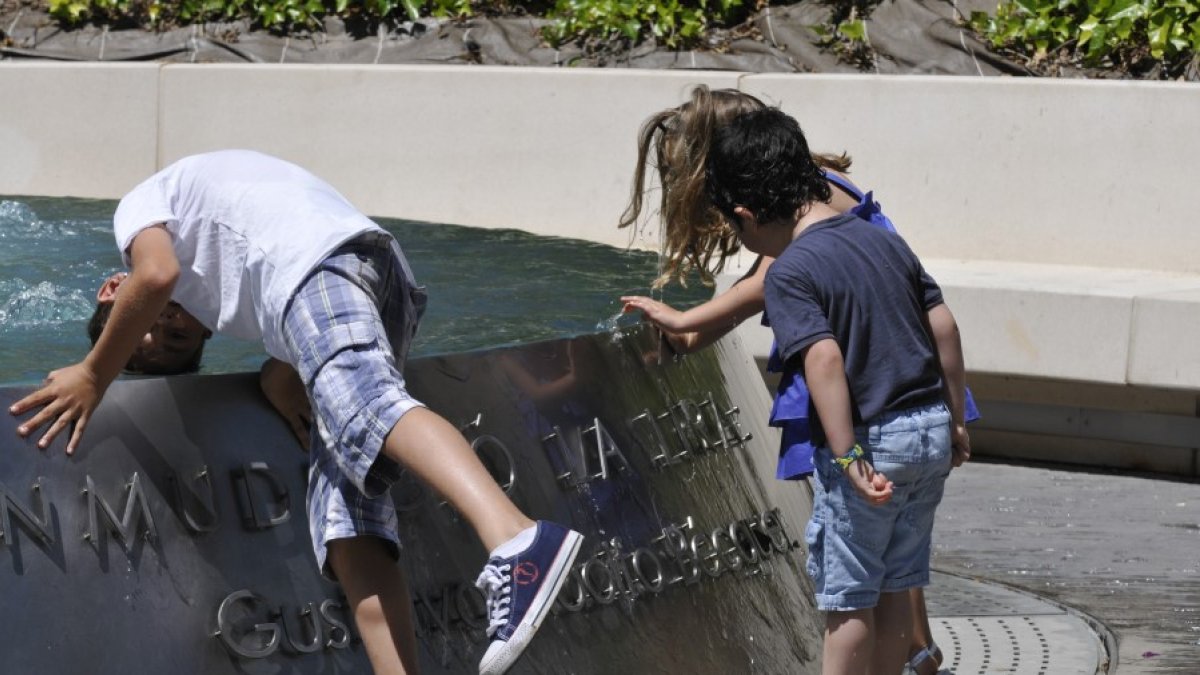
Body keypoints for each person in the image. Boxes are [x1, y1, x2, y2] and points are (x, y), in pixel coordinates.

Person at [8, 149, 582, 675]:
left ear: (115, 289)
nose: (167, 323)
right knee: (349, 524)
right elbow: (257, 263)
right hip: (363, 269)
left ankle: (516, 537)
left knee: (368, 408)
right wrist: (280, 374)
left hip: (317, 265)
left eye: (152, 326)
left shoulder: (141, 211)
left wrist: (92, 374)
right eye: (175, 337)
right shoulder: (218, 283)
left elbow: (158, 276)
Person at [618, 85, 961, 675]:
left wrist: (847, 452)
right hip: (921, 403)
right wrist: (954, 418)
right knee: (894, 575)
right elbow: (944, 323)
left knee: (849, 593)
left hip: (862, 411)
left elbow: (817, 350)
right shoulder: (855, 221)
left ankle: (913, 654)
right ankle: (915, 654)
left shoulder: (797, 252)